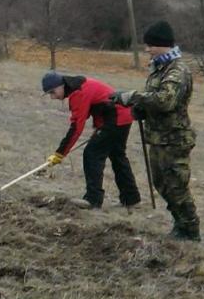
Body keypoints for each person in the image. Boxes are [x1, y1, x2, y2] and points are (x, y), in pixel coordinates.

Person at [110, 20, 200, 241]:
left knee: (176, 185)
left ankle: (190, 230)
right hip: (159, 137)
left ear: (163, 45)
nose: (147, 49)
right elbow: (155, 100)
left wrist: (133, 97)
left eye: (150, 45)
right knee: (161, 182)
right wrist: (140, 109)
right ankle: (179, 224)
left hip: (174, 139)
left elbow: (165, 101)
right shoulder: (160, 67)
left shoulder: (178, 70)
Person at [41, 70, 141, 210]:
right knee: (118, 156)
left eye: (53, 92)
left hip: (116, 117)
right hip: (122, 116)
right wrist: (99, 128)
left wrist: (60, 153)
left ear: (61, 85)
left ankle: (93, 199)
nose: (52, 97)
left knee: (92, 154)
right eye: (49, 94)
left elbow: (77, 127)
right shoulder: (76, 86)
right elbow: (95, 107)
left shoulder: (78, 92)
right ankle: (131, 199)